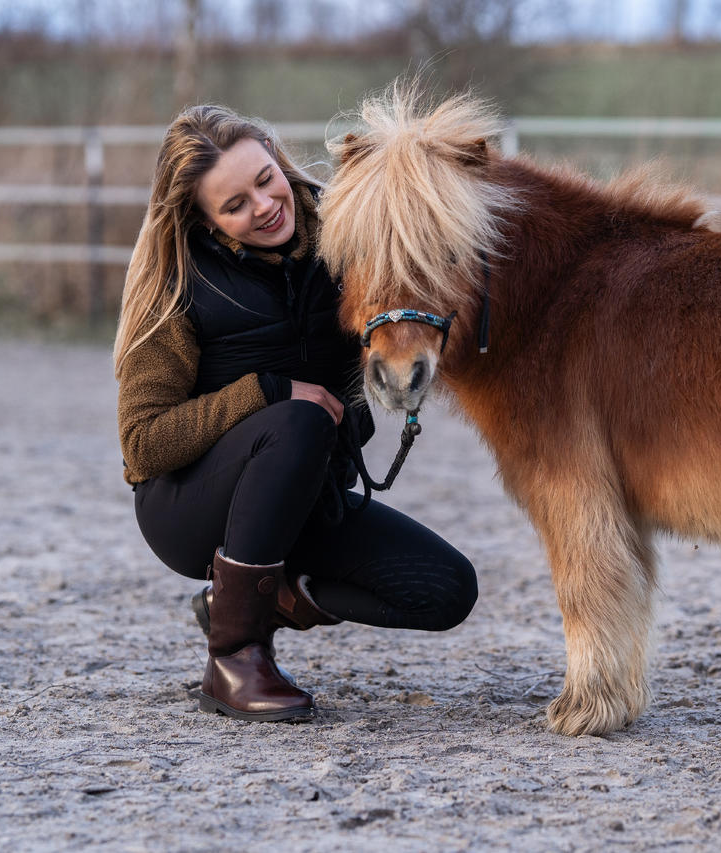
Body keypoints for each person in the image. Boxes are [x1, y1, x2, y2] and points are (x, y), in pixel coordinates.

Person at [112, 104, 478, 723]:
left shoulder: (343, 241)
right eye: (234, 205)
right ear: (203, 219)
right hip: (190, 507)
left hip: (307, 495)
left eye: (264, 178)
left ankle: (261, 597)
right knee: (297, 417)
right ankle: (234, 657)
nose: (263, 205)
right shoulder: (177, 283)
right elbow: (144, 446)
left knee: (446, 589)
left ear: (276, 156)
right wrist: (269, 391)